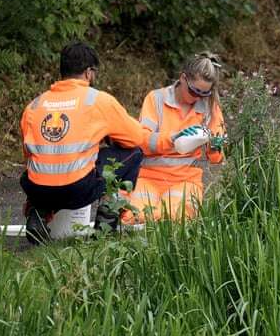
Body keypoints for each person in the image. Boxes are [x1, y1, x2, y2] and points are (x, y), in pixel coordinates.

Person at [19, 42, 174, 243]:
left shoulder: (35, 105)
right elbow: (136, 138)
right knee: (133, 154)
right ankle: (105, 226)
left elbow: (31, 154)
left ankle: (37, 216)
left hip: (37, 189)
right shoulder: (97, 100)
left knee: (42, 170)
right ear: (89, 73)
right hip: (77, 190)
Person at [127, 52, 227, 223]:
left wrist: (216, 145)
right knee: (133, 216)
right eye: (194, 91)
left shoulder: (210, 107)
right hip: (148, 176)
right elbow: (142, 140)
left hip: (186, 180)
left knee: (177, 217)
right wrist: (173, 139)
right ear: (183, 79)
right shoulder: (156, 99)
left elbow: (216, 159)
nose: (198, 97)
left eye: (204, 93)